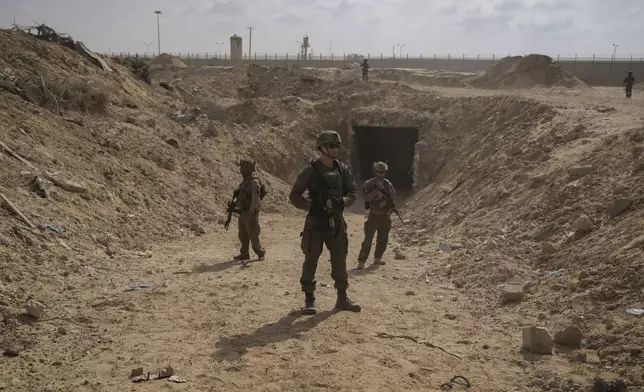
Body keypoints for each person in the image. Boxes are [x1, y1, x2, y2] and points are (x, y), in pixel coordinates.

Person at [289, 130, 362, 315]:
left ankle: (342, 297)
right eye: (331, 145)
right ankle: (309, 299)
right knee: (311, 259)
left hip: (336, 222)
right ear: (321, 147)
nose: (335, 149)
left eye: (337, 145)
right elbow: (294, 195)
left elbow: (353, 192)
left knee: (340, 259)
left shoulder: (341, 169)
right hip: (315, 223)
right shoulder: (311, 171)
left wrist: (342, 202)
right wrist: (312, 207)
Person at [357, 162, 396, 269]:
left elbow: (393, 198)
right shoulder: (369, 183)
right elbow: (365, 197)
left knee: (383, 239)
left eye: (383, 172)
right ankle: (361, 261)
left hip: (385, 215)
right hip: (374, 215)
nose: (381, 174)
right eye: (379, 172)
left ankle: (377, 258)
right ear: (375, 172)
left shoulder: (388, 184)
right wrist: (376, 193)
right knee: (368, 239)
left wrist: (391, 208)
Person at [232, 158, 266, 262]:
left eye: (244, 167)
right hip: (243, 212)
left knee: (253, 234)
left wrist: (252, 210)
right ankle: (244, 253)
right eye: (241, 167)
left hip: (250, 212)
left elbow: (256, 198)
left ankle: (260, 253)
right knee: (242, 234)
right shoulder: (245, 182)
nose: (241, 169)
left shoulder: (254, 181)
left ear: (251, 169)